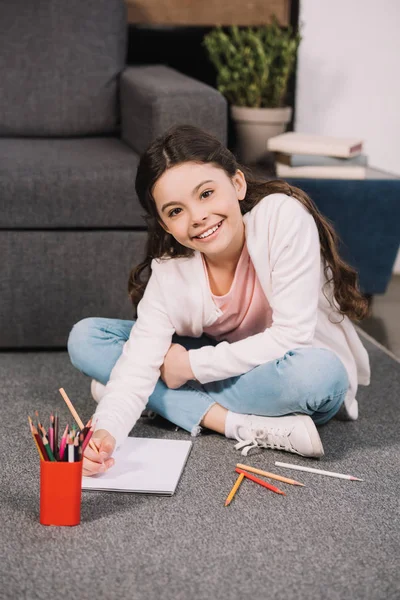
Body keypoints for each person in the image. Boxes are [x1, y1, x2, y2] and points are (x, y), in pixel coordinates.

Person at [67, 124, 371, 477]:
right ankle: (234, 423)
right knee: (87, 338)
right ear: (165, 225)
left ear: (237, 184)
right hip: (226, 371)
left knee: (321, 376)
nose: (197, 217)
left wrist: (188, 368)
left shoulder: (281, 217)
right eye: (175, 211)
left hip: (282, 367)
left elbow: (292, 337)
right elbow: (137, 367)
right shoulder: (171, 273)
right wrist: (105, 432)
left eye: (206, 193)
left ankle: (163, 401)